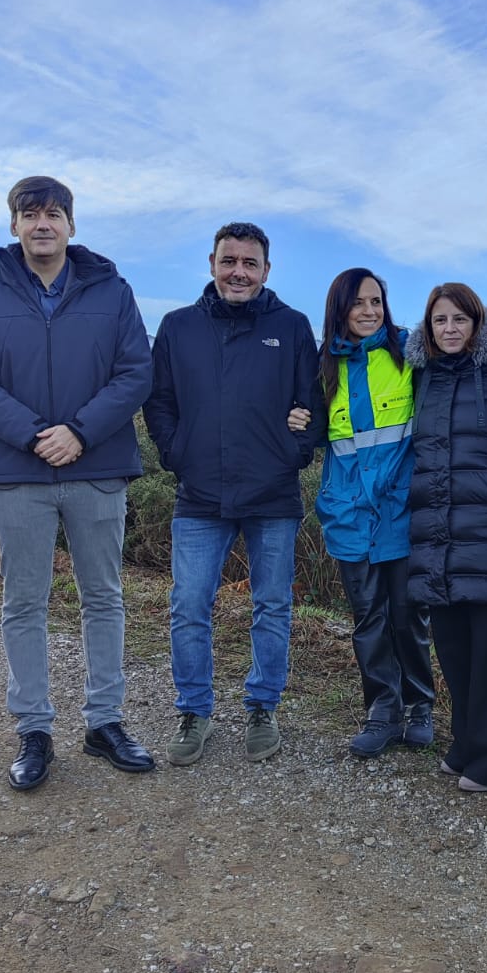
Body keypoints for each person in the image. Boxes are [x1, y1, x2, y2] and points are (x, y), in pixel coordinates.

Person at [0, 176, 154, 791]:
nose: (43, 224)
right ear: (13, 225)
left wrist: (81, 433)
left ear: (71, 224)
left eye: (55, 214)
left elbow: (135, 371)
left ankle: (104, 723)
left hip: (95, 468)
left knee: (104, 598)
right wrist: (38, 434)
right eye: (30, 213)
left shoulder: (114, 293)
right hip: (18, 469)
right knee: (24, 603)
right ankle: (34, 730)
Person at [143, 222, 323, 765]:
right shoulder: (177, 327)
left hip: (273, 491)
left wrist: (297, 448)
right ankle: (194, 711)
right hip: (199, 493)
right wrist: (177, 453)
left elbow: (312, 402)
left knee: (271, 606)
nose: (238, 271)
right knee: (189, 605)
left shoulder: (291, 326)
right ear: (212, 263)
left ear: (266, 270)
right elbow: (159, 402)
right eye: (229, 261)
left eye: (250, 263)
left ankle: (262, 705)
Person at [407, 284, 487, 791]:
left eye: (460, 318)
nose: (450, 328)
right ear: (428, 328)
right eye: (440, 320)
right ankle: (465, 745)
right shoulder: (422, 378)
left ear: (477, 322)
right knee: (454, 649)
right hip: (439, 535)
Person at [313, 268, 434, 758]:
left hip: (402, 510)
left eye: (376, 302)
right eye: (358, 303)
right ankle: (382, 710)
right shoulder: (322, 367)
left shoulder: (409, 353)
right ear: (339, 308)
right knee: (369, 617)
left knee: (408, 616)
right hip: (349, 514)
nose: (368, 311)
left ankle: (421, 705)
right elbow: (310, 429)